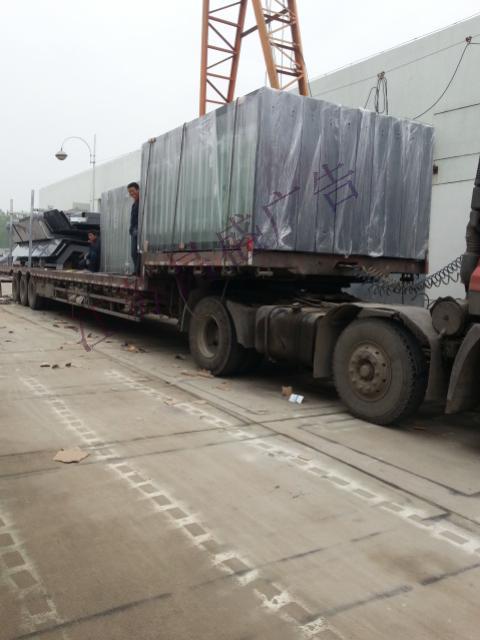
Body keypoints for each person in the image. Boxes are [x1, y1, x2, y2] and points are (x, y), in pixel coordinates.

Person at [128, 181, 140, 274]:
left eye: (132, 191)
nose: (131, 193)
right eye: (129, 192)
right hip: (134, 230)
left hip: (139, 230)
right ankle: (137, 270)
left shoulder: (141, 202)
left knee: (138, 252)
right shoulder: (134, 204)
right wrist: (131, 228)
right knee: (133, 252)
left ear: (138, 190)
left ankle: (137, 271)